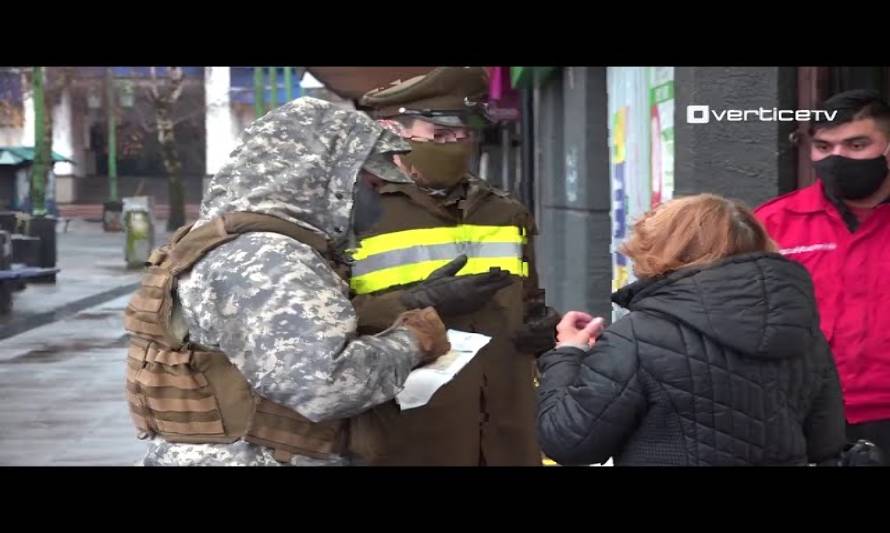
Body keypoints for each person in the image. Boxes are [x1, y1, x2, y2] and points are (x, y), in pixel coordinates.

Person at [123, 97, 450, 466]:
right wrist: (415, 341)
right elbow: (326, 386)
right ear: (327, 180)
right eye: (370, 185)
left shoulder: (228, 241)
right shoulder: (269, 257)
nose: (377, 199)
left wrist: (402, 304)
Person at [344, 66, 560, 465]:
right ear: (393, 131)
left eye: (464, 135)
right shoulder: (352, 216)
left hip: (505, 431)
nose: (456, 146)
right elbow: (322, 329)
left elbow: (529, 299)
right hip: (406, 435)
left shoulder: (504, 212)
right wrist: (419, 301)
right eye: (440, 136)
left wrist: (543, 325)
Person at [536, 194, 846, 466]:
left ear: (663, 252)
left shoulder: (636, 337)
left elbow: (569, 442)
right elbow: (825, 443)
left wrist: (566, 355)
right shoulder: (804, 334)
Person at [755, 89, 890, 457]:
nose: (837, 158)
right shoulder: (773, 224)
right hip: (801, 415)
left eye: (857, 144)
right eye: (824, 147)